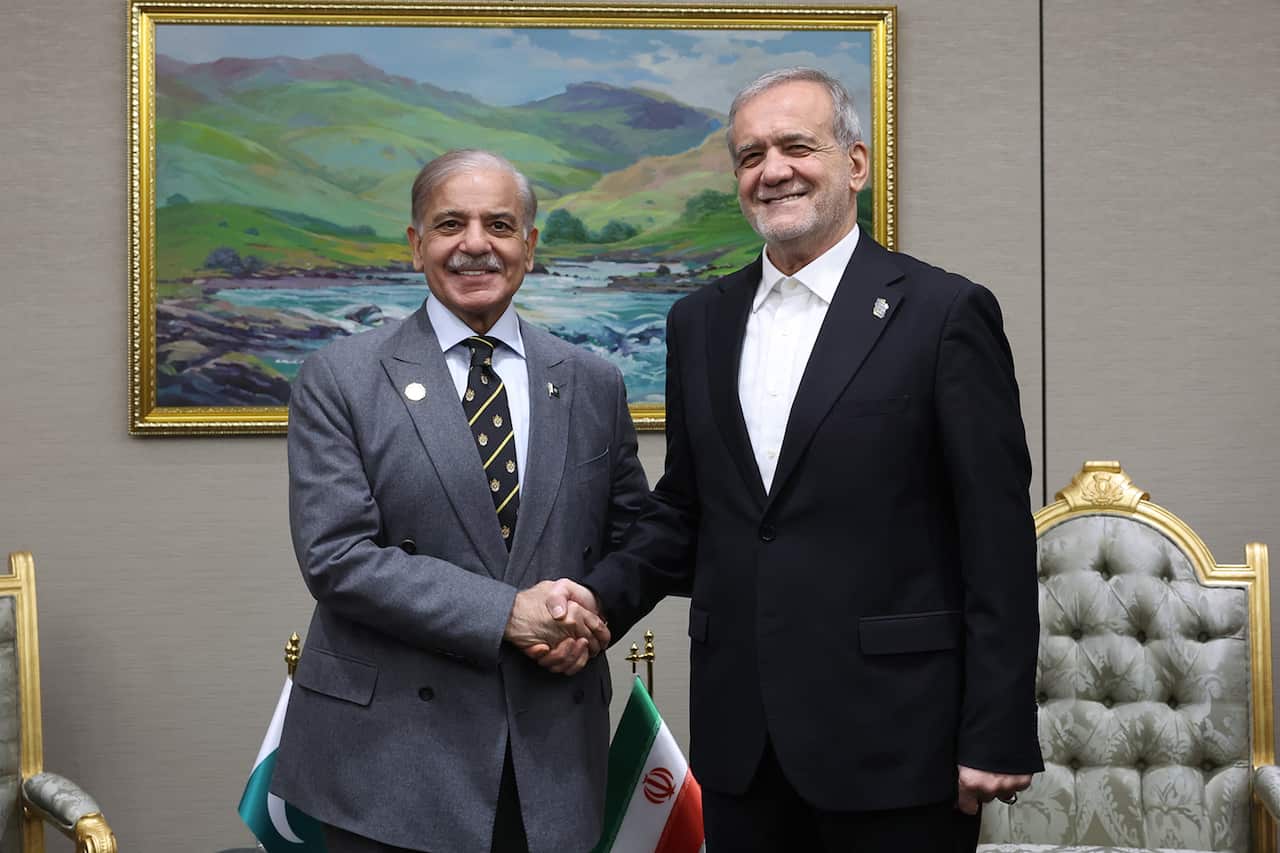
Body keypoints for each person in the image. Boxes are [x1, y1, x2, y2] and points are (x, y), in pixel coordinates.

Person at [547, 67, 1042, 851]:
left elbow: (998, 537)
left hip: (899, 739)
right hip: (743, 742)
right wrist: (596, 603)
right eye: (750, 155)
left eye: (795, 146)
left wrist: (998, 728)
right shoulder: (697, 322)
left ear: (854, 162)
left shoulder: (945, 314)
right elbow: (686, 509)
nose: (771, 169)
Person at [272, 149, 648, 853]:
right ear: (416, 245)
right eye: (451, 223)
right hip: (389, 762)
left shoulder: (593, 379)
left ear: (529, 248)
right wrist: (509, 614)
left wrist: (591, 614)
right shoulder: (340, 377)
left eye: (500, 224)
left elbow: (634, 538)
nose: (476, 243)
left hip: (553, 755)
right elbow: (337, 555)